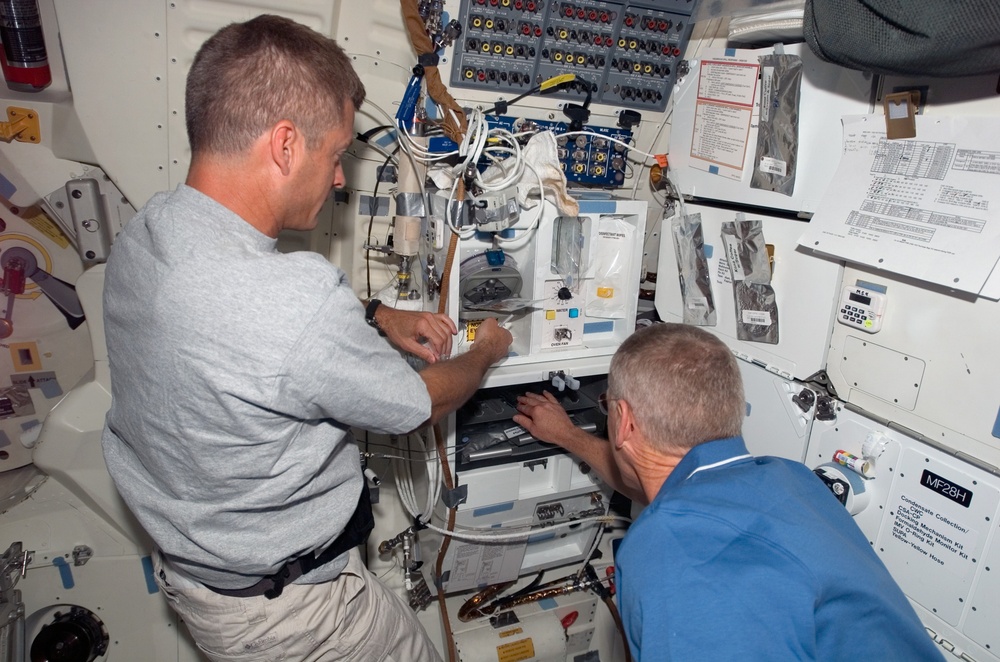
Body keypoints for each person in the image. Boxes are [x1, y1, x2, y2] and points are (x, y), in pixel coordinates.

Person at [101, 14, 511, 662]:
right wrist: (488, 351)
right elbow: (418, 403)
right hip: (300, 615)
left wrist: (374, 314)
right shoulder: (291, 300)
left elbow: (239, 320)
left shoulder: (148, 233)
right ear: (286, 145)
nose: (341, 178)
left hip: (204, 583)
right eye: (336, 154)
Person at [513, 323, 943, 661]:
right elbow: (649, 478)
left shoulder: (673, 550)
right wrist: (568, 435)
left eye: (607, 405)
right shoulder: (790, 480)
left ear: (623, 421)